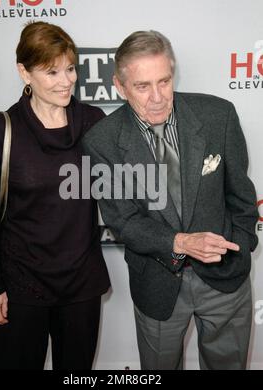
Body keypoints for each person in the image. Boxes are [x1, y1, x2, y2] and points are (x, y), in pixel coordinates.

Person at [83, 30, 258, 370]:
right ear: (120, 86)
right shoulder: (101, 141)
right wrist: (181, 242)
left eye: (164, 81)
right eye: (142, 86)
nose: (158, 97)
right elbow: (123, 221)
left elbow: (241, 193)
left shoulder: (217, 115)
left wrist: (241, 245)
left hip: (226, 278)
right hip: (158, 284)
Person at [0, 21, 110, 370]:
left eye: (70, 69)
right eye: (52, 72)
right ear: (24, 72)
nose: (67, 81)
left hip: (81, 285)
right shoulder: (2, 129)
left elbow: (121, 190)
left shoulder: (94, 122)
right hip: (20, 287)